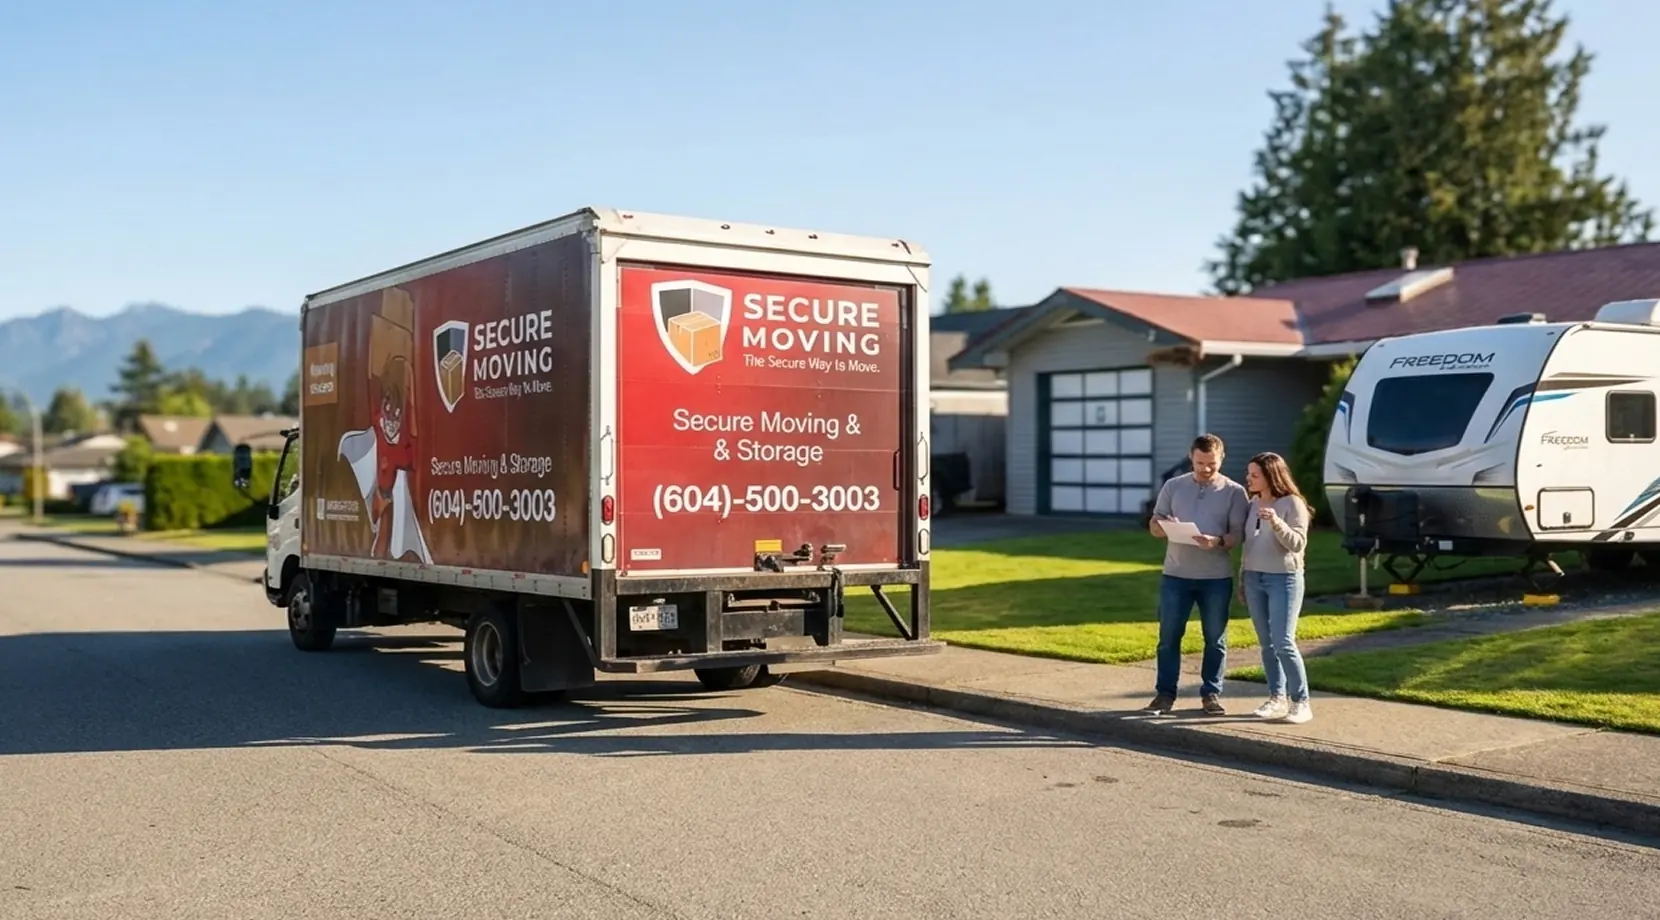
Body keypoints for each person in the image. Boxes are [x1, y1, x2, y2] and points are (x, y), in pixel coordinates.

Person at [1143, 434, 1249, 716]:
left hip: (1215, 577)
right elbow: (1153, 525)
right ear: (1191, 457)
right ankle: (1164, 695)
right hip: (1176, 576)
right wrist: (1165, 527)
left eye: (1211, 464)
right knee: (1168, 637)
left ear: (1221, 458)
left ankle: (1211, 694)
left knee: (1215, 638)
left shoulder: (1235, 492)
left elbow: (1237, 534)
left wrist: (1217, 541)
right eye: (1200, 463)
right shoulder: (1173, 486)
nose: (1205, 469)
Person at [1240, 451, 1314, 724]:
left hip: (1284, 578)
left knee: (1283, 642)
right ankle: (1276, 698)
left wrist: (1276, 521)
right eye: (1249, 474)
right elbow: (1249, 546)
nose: (1249, 479)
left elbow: (1297, 544)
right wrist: (1242, 579)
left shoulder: (1292, 503)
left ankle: (1301, 701)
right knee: (1267, 644)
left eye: (1254, 475)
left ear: (1271, 476)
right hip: (1254, 578)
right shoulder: (1252, 504)